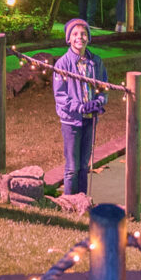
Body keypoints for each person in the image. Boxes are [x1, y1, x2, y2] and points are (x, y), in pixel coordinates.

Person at [53, 18, 107, 196]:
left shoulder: (96, 62)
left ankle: (82, 200)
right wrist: (80, 107)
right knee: (72, 167)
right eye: (75, 34)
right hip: (71, 122)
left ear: (89, 37)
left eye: (83, 34)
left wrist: (98, 102)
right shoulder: (62, 64)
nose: (80, 37)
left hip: (90, 120)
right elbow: (61, 96)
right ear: (69, 38)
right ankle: (69, 202)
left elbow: (103, 87)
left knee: (84, 165)